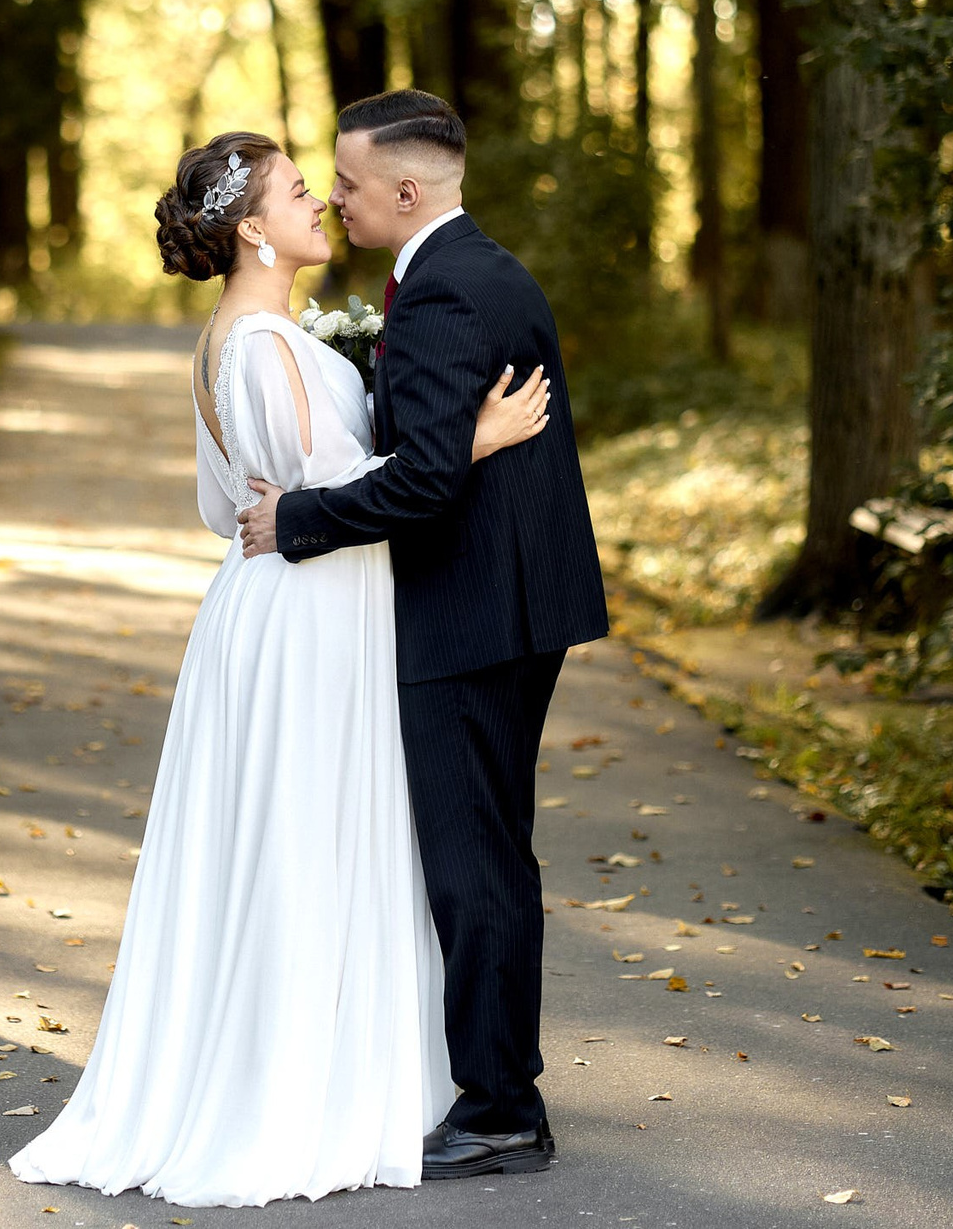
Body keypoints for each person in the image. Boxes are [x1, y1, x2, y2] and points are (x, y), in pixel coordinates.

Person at [7, 130, 552, 1208]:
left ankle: (290, 1062)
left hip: (266, 603)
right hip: (310, 608)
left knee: (282, 835)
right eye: (300, 190)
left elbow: (230, 507)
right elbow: (328, 492)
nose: (319, 202)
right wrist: (473, 442)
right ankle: (298, 1084)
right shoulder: (263, 345)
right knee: (307, 836)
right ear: (251, 226)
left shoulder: (232, 341)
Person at [238, 89, 609, 1180]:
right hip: (498, 602)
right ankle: (496, 1086)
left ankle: (499, 1107)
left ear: (407, 190)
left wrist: (294, 521)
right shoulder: (461, 268)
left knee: (471, 859)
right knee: (483, 847)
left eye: (347, 184)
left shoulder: (449, 290)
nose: (337, 201)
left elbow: (433, 481)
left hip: (473, 610)